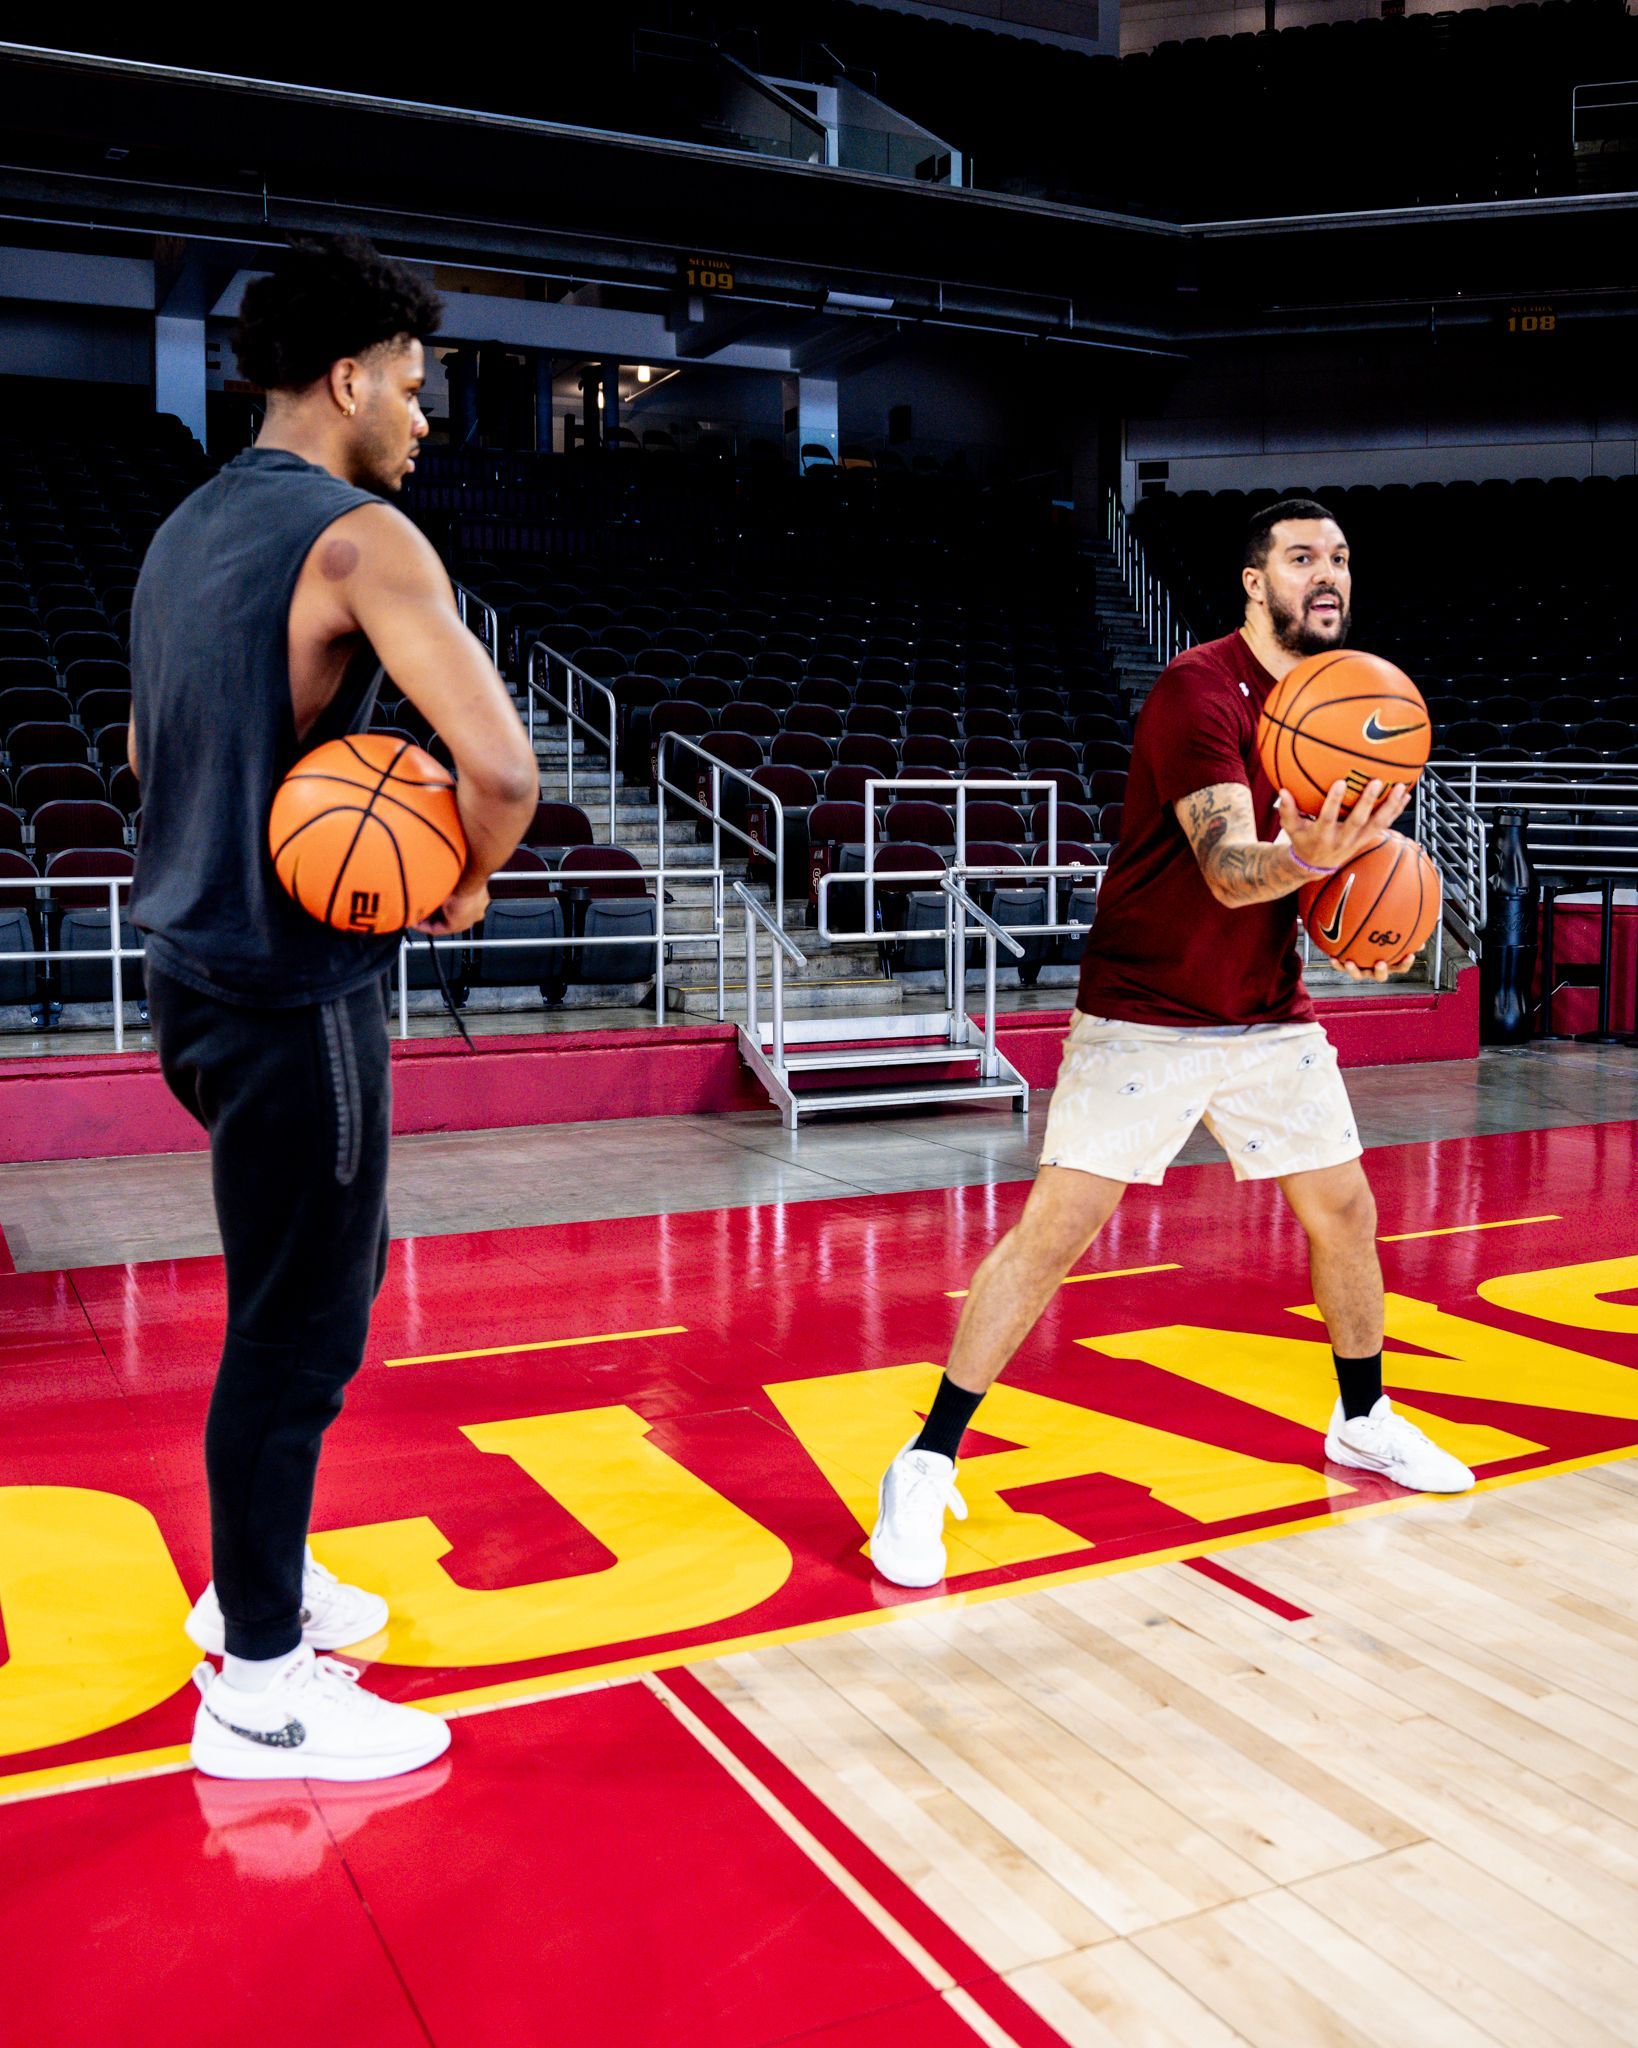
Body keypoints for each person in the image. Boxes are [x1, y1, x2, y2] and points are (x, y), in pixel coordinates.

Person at [871, 497, 1474, 1589]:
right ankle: (924, 1460)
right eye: (1301, 558)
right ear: (1256, 581)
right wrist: (1307, 861)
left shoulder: (1345, 704)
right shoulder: (1197, 692)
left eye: (1337, 558)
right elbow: (1235, 868)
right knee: (1056, 1232)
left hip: (1264, 1007)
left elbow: (1316, 879)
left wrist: (1362, 931)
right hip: (1146, 1008)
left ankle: (1364, 1415)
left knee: (1344, 1207)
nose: (1324, 575)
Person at [127, 236, 538, 1775]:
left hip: (186, 973)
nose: (427, 421)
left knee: (300, 1302)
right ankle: (260, 1689)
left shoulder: (182, 528)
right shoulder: (363, 538)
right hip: (296, 988)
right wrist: (460, 880)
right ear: (350, 377)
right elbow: (500, 772)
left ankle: (262, 1573)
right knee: (302, 1331)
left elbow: (135, 744)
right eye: (418, 389)